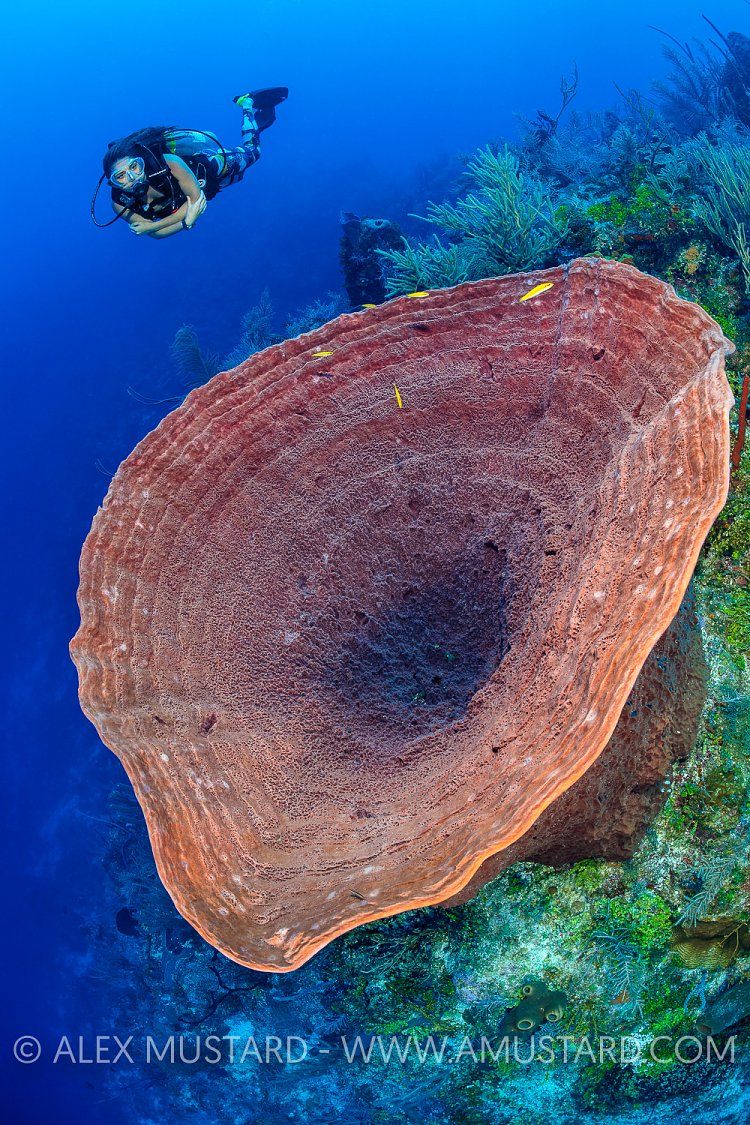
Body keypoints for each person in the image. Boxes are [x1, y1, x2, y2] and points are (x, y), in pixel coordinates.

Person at [100, 88, 288, 238]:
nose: (132, 177)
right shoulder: (120, 203)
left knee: (253, 153)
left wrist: (157, 225)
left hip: (209, 167)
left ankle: (247, 103)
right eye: (120, 176)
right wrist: (185, 222)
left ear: (142, 163)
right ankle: (260, 122)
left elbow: (195, 201)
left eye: (134, 167)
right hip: (207, 187)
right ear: (112, 183)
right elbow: (156, 235)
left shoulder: (169, 163)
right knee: (239, 177)